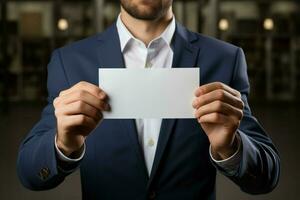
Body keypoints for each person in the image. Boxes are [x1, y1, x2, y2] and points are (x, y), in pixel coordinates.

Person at [17, 0, 280, 199]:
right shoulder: (70, 62)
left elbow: (267, 177)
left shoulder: (225, 59)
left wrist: (231, 147)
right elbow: (30, 173)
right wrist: (62, 145)